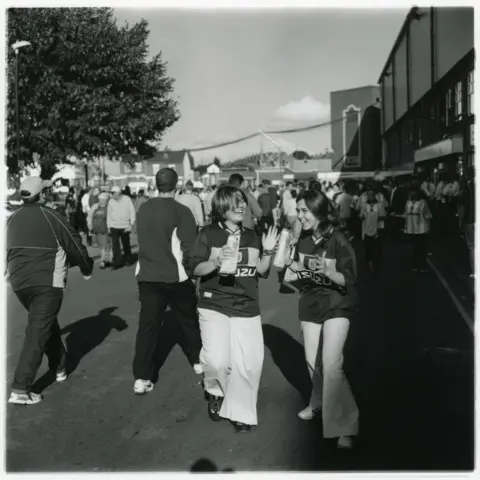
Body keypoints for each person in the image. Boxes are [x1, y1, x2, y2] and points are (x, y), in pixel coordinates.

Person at [190, 185, 279, 432]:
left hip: (246, 304)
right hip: (213, 303)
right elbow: (194, 269)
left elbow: (262, 271)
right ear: (221, 207)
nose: (242, 206)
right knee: (218, 360)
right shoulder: (207, 234)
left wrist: (269, 249)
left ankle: (240, 411)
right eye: (235, 202)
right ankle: (215, 391)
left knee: (249, 363)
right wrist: (216, 261)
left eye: (242, 201)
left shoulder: (252, 235)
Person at [6, 177, 94, 405]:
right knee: (37, 330)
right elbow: (74, 244)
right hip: (47, 282)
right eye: (46, 189)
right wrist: (86, 267)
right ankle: (20, 389)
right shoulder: (51, 215)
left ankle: (60, 366)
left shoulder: (12, 219)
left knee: (44, 323)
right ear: (42, 195)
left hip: (19, 284)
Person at [282, 189, 359, 449]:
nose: (299, 215)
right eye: (298, 210)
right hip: (310, 305)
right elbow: (291, 276)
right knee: (312, 362)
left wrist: (328, 270)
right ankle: (317, 402)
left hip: (337, 305)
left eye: (304, 211)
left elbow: (349, 278)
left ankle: (344, 425)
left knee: (331, 364)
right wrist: (289, 265)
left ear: (318, 211)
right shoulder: (301, 239)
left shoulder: (337, 238)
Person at [132, 168, 203, 395]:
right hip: (176, 276)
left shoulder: (143, 209)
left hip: (147, 274)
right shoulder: (181, 211)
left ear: (156, 184)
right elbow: (188, 248)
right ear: (177, 185)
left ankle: (142, 377)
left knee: (148, 327)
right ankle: (198, 362)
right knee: (189, 321)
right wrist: (194, 273)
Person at [400, 183, 433, 273]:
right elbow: (406, 215)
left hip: (421, 228)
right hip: (412, 229)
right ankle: (415, 265)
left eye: (412, 191)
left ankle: (422, 266)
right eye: (410, 191)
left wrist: (429, 227)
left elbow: (428, 215)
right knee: (415, 248)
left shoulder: (422, 203)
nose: (410, 193)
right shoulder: (408, 203)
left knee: (421, 248)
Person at [107, 185, 136, 269]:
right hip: (114, 226)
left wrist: (131, 223)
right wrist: (109, 226)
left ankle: (128, 260)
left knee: (126, 244)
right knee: (115, 246)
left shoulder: (127, 199)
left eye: (113, 193)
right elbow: (109, 214)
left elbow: (132, 211)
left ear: (118, 193)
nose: (111, 195)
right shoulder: (111, 201)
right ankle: (117, 262)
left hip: (125, 226)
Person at [360, 187, 386, 275]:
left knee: (377, 249)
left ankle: (378, 266)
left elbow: (383, 216)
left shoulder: (379, 205)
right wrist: (364, 216)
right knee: (368, 250)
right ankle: (370, 268)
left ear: (375, 195)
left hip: (377, 230)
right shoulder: (364, 205)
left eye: (371, 194)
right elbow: (361, 216)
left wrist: (373, 216)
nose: (369, 196)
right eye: (368, 194)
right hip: (367, 230)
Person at [87, 192, 112, 269]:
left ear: (107, 200)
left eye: (104, 200)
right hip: (97, 229)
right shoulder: (95, 206)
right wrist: (90, 225)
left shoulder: (109, 207)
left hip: (107, 229)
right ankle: (107, 259)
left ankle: (103, 260)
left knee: (106, 245)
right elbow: (89, 216)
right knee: (102, 245)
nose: (102, 201)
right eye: (100, 199)